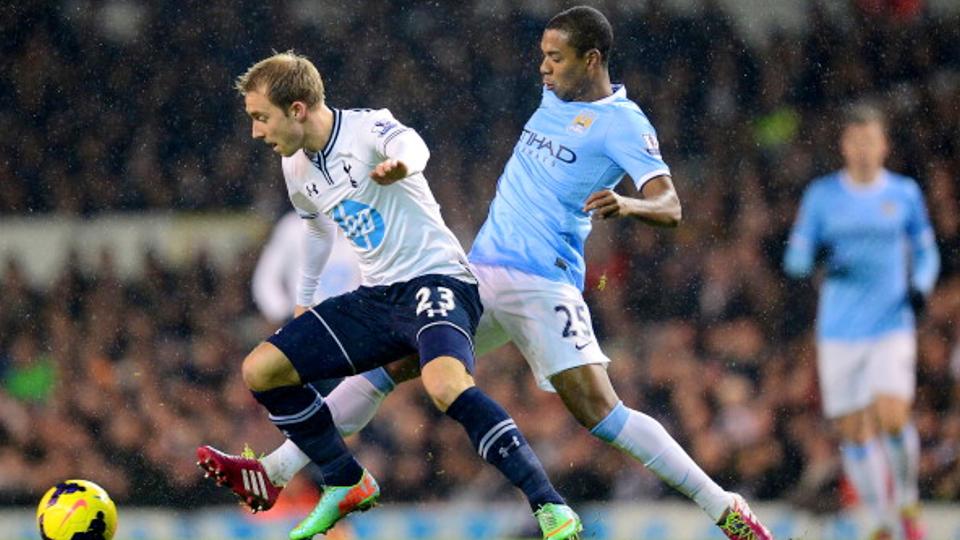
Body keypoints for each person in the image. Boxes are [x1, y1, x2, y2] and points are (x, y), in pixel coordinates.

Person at [204, 8, 773, 540]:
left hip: (543, 281)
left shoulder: (623, 123)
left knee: (601, 413)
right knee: (389, 367)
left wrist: (629, 205)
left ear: (593, 59)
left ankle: (723, 506)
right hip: (478, 271)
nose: (543, 67)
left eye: (556, 57)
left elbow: (670, 204)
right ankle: (279, 470)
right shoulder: (553, 97)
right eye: (542, 55)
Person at [196, 51, 583, 540]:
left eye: (260, 117)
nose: (256, 132)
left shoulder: (366, 128)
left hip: (439, 281)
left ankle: (549, 505)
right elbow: (314, 232)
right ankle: (344, 479)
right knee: (262, 369)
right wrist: (304, 301)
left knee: (444, 385)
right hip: (377, 296)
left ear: (296, 109)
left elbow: (414, 145)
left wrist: (403, 165)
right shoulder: (295, 166)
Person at [784, 103, 940, 540]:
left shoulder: (905, 194)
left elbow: (926, 252)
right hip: (838, 331)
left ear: (884, 145)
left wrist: (922, 286)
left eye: (871, 140)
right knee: (853, 432)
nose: (864, 150)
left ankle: (906, 499)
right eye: (856, 142)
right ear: (844, 147)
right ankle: (879, 521)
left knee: (892, 415)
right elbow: (794, 258)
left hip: (891, 323)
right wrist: (814, 257)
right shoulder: (822, 196)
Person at [252, 210, 360, 325]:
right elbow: (266, 278)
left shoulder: (367, 229)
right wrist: (283, 314)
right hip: (303, 324)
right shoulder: (294, 228)